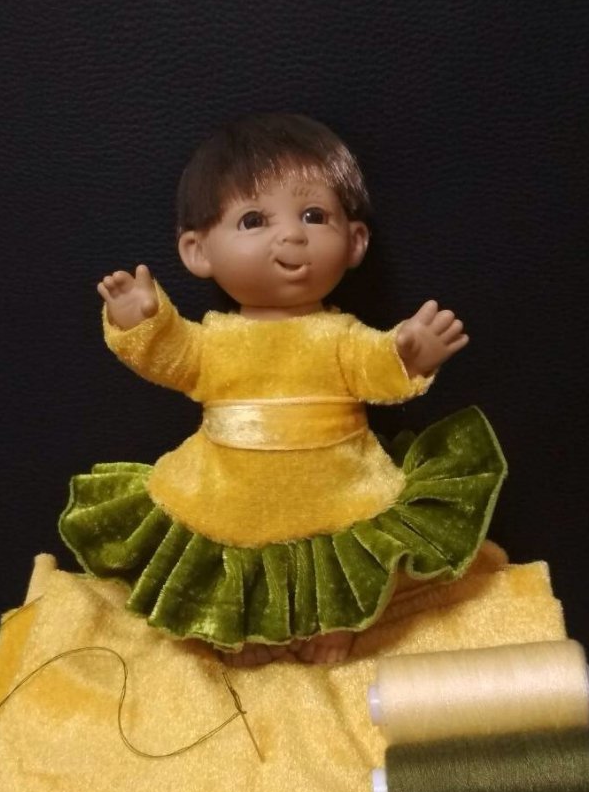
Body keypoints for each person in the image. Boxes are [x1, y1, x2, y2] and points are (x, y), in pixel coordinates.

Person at [60, 113, 506, 665]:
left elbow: (373, 364)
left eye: (314, 216)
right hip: (227, 489)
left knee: (341, 559)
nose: (292, 235)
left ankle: (337, 622)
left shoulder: (340, 335)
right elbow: (174, 356)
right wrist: (142, 321)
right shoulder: (214, 340)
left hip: (338, 488)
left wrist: (408, 352)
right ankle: (242, 629)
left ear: (355, 241)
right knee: (234, 560)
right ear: (198, 251)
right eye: (253, 220)